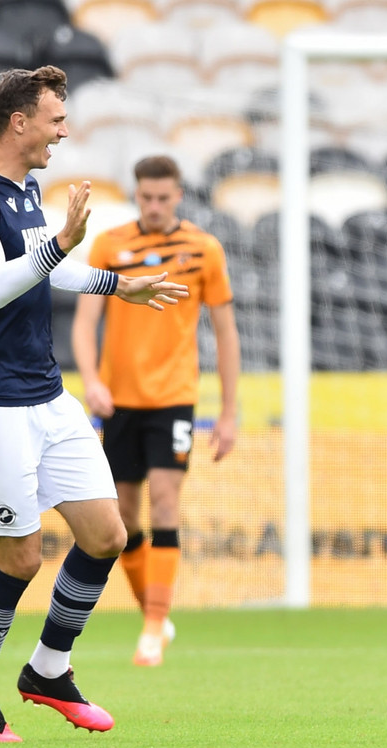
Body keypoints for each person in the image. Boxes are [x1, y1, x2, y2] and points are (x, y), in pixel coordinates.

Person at [0, 65, 188, 743]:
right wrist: (61, 245)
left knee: (107, 535)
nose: (64, 130)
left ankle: (49, 669)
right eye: (55, 119)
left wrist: (116, 283)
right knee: (19, 559)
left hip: (45, 393)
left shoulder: (27, 190)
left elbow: (49, 264)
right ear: (19, 122)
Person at [73, 155, 240, 667]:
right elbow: (84, 323)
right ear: (136, 194)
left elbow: (226, 332)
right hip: (119, 400)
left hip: (174, 397)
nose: (154, 206)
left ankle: (150, 629)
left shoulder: (202, 248)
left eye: (164, 197)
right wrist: (93, 381)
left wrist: (229, 411)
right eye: (146, 197)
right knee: (123, 517)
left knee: (165, 503)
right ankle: (156, 612)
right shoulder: (109, 244)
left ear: (180, 194)